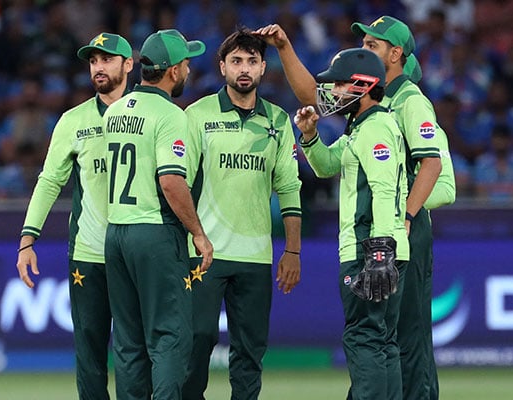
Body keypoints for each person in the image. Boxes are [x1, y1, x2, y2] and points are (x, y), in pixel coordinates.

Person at [256, 16, 456, 399]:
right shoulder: (360, 117)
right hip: (381, 232)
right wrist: (285, 49)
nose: (363, 51)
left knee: (401, 337)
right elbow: (318, 102)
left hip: (391, 232)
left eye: (372, 46)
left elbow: (437, 175)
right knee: (383, 339)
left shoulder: (410, 102)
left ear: (394, 55)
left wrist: (403, 219)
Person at [181, 28, 302, 400]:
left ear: (264, 68)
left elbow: (289, 189)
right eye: (236, 61)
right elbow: (177, 182)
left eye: (251, 61)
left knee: (250, 350)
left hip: (254, 255)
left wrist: (293, 251)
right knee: (196, 341)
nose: (244, 69)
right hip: (203, 253)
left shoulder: (280, 121)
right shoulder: (197, 114)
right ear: (222, 68)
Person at [15, 32, 134, 400]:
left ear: (128, 65)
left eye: (107, 59)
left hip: (136, 253)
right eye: (93, 61)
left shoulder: (148, 114)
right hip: (89, 253)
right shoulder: (73, 120)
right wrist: (27, 238)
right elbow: (49, 181)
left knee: (135, 351)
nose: (98, 67)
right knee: (90, 352)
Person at [101, 29, 214, 400]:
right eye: (185, 64)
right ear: (172, 71)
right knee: (170, 336)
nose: (188, 71)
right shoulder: (171, 115)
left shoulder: (115, 111)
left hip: (116, 232)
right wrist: (197, 232)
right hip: (154, 233)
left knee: (129, 342)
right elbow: (171, 182)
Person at [293, 47, 409, 400]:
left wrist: (379, 252)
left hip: (369, 248)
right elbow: (327, 166)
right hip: (384, 248)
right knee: (383, 340)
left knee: (364, 337)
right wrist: (311, 137)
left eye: (341, 84)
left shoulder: (374, 128)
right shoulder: (363, 128)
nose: (333, 92)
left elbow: (383, 189)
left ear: (363, 85)